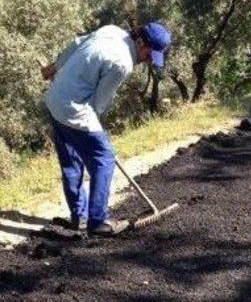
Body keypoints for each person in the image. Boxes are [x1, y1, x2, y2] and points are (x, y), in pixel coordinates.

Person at [41, 22, 172, 236]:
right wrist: (94, 131)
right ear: (140, 42)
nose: (149, 61)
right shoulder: (122, 63)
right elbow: (98, 104)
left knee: (71, 161)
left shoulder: (111, 31)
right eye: (150, 55)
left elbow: (76, 43)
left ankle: (80, 217)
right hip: (74, 109)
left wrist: (54, 67)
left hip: (55, 100)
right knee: (104, 158)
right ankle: (98, 222)